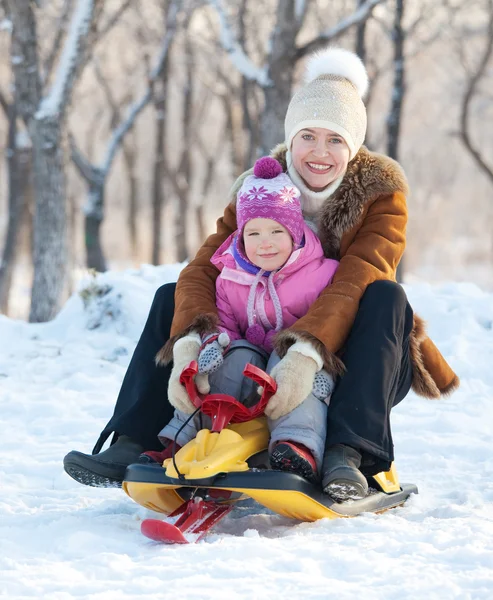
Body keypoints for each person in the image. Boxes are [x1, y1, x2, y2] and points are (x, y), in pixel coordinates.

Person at [64, 47, 460, 500]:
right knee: (171, 294)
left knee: (386, 296)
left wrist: (308, 352)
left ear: (352, 149)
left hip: (356, 354)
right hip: (256, 333)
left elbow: (360, 276)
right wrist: (191, 340)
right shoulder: (259, 187)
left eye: (335, 140)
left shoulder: (379, 194)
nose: (319, 152)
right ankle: (134, 439)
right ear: (291, 139)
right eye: (307, 136)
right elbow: (207, 265)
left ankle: (349, 454)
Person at [149, 156, 339, 483]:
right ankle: (181, 441)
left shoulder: (321, 275)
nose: (264, 242)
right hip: (249, 374)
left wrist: (319, 365)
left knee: (290, 362)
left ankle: (296, 447)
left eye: (276, 231)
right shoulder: (229, 278)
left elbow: (332, 326)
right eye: (253, 234)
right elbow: (222, 326)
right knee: (224, 357)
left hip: (296, 368)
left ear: (295, 232)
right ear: (240, 237)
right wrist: (211, 347)